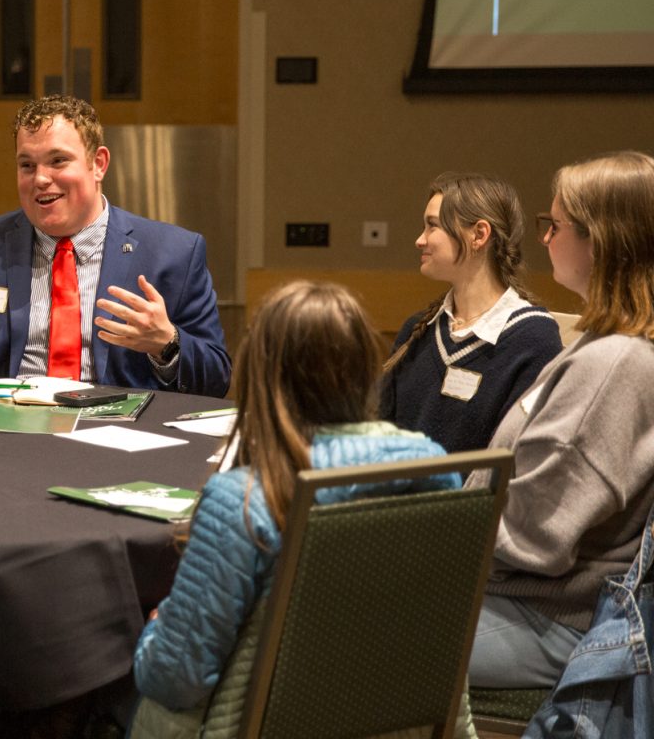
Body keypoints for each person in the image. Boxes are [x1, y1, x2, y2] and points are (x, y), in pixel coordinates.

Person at [131, 280, 459, 714]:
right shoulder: (433, 471)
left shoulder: (244, 501)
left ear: (261, 377)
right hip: (396, 721)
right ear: (366, 369)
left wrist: (156, 629)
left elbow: (172, 680)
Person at [467, 150, 654, 690]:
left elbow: (534, 541)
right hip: (527, 599)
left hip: (546, 619)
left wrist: (427, 537)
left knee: (319, 636)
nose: (544, 237)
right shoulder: (606, 344)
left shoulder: (613, 364)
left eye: (555, 225)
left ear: (603, 241)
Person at [0, 95, 231, 398]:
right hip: (6, 426)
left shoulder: (173, 253)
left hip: (120, 432)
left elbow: (215, 380)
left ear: (98, 164)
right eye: (27, 165)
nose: (40, 179)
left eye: (58, 161)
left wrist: (166, 344)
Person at [380, 173, 562, 455]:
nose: (419, 240)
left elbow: (517, 457)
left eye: (432, 227)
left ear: (479, 234)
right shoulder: (415, 330)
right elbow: (383, 440)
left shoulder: (533, 338)